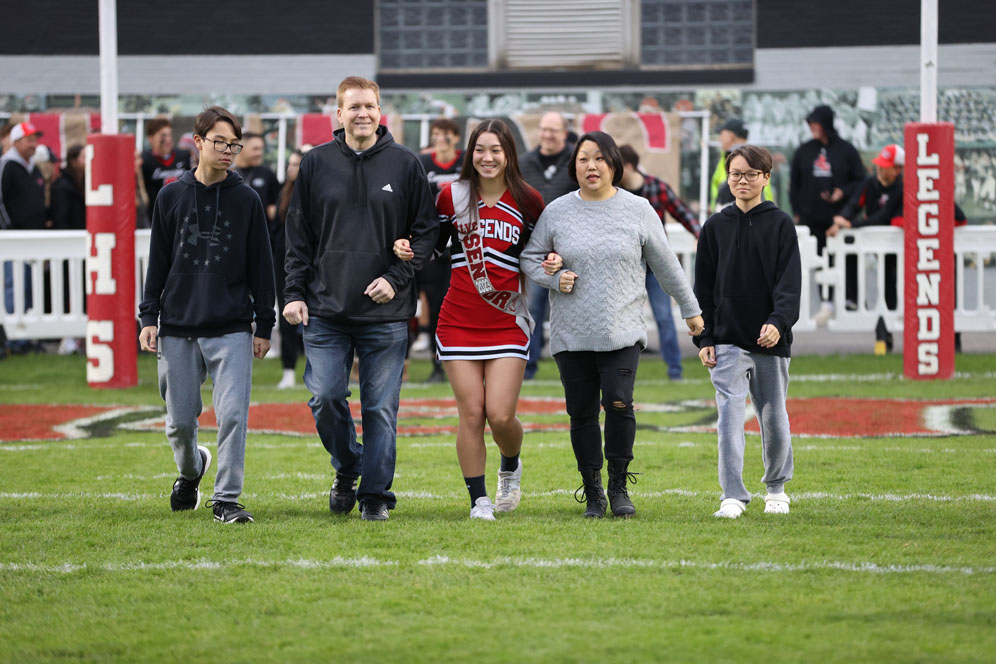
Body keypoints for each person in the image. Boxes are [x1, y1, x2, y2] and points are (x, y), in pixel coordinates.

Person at [521, 131, 703, 519]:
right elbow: (530, 258)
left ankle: (619, 485)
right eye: (584, 158)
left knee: (619, 402)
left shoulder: (638, 209)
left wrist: (690, 308)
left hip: (622, 328)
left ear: (614, 165)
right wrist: (553, 277)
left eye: (600, 159)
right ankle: (593, 491)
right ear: (574, 165)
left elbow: (665, 264)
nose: (591, 166)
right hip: (572, 333)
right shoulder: (557, 211)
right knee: (582, 413)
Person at [283, 76, 438, 522]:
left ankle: (374, 496)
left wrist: (397, 276)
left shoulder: (406, 164)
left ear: (380, 109)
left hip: (386, 313)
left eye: (369, 106)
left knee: (379, 409)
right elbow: (298, 237)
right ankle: (349, 466)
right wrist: (293, 293)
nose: (363, 114)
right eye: (354, 107)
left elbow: (426, 233)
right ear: (339, 113)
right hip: (325, 309)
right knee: (326, 397)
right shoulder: (314, 164)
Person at [395, 119, 545, 520]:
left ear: (509, 154)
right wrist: (411, 249)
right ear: (470, 154)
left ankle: (510, 464)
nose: (487, 157)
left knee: (500, 414)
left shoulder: (529, 201)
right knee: (472, 414)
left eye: (496, 149)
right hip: (458, 321)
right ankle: (479, 499)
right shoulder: (452, 196)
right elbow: (433, 245)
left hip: (507, 321)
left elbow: (538, 254)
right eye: (480, 149)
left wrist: (552, 261)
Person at [138, 106, 276, 525]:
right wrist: (149, 317)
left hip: (232, 325)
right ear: (197, 143)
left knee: (233, 415)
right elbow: (157, 262)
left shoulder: (247, 199)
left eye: (233, 144)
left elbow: (262, 266)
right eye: (220, 142)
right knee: (179, 423)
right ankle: (190, 469)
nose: (229, 151)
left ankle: (227, 498)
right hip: (177, 326)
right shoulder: (170, 196)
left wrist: (264, 324)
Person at [694, 145, 801, 519]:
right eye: (735, 174)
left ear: (766, 178)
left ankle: (776, 488)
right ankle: (732, 495)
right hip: (725, 338)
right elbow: (703, 289)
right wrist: (704, 338)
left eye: (750, 174)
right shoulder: (714, 226)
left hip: (770, 339)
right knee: (728, 416)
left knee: (773, 416)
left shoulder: (781, 225)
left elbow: (790, 285)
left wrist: (778, 322)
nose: (742, 181)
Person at [619, 143, 700, 380]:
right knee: (620, 319)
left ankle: (675, 371)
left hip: (654, 265)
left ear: (629, 166)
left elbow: (682, 212)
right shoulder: (613, 191)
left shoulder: (656, 187)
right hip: (626, 266)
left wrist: (699, 235)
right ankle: (620, 372)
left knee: (664, 316)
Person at [789, 105, 865, 324]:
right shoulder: (804, 151)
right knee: (820, 262)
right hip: (812, 219)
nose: (813, 128)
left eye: (817, 124)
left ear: (826, 124)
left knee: (847, 260)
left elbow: (861, 181)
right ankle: (826, 303)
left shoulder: (847, 150)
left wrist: (843, 192)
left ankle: (852, 300)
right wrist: (797, 213)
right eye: (811, 124)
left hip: (840, 220)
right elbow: (795, 186)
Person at [519, 112, 578, 379]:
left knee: (574, 312)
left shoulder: (576, 162)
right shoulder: (525, 162)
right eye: (544, 129)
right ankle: (528, 367)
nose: (547, 135)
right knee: (532, 309)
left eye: (554, 130)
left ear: (564, 133)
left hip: (573, 248)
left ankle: (578, 367)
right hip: (536, 249)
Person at [414, 118, 463, 383]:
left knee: (463, 303)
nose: (439, 139)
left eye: (444, 134)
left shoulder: (465, 161)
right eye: (435, 134)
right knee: (434, 305)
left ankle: (470, 360)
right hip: (434, 242)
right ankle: (438, 366)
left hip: (463, 243)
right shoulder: (424, 163)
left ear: (455, 137)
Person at [1, 122, 46, 349]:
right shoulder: (7, 166)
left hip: (33, 238)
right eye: (29, 140)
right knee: (14, 286)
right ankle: (15, 339)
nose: (34, 144)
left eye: (35, 139)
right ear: (16, 141)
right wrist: (8, 229)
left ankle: (27, 337)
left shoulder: (33, 168)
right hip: (14, 239)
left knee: (30, 287)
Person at [274, 149, 304, 389]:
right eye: (290, 164)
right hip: (282, 261)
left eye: (296, 165)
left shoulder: (314, 192)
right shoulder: (283, 191)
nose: (291, 169)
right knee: (286, 315)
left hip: (310, 263)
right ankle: (288, 370)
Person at [710, 118, 772, 213]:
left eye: (722, 135)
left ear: (731, 136)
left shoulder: (733, 158)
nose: (719, 139)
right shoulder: (756, 159)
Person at [140, 117, 192, 208]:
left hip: (181, 211)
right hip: (156, 213)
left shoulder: (184, 156)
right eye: (163, 135)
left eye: (169, 135)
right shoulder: (145, 160)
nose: (168, 139)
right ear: (151, 138)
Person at [234, 132, 280, 222]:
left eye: (261, 149)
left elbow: (277, 202)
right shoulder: (229, 173)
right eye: (255, 149)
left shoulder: (267, 174)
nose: (260, 153)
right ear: (241, 149)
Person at [51, 144, 86, 230]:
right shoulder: (62, 186)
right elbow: (60, 218)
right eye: (84, 157)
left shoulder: (85, 183)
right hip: (69, 236)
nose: (89, 161)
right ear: (73, 161)